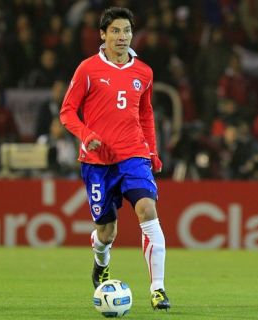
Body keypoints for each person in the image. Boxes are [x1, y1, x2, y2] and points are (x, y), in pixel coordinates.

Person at [59, 7, 170, 311]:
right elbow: (67, 111)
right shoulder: (87, 69)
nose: (122, 37)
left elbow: (146, 114)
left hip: (134, 156)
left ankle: (158, 289)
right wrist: (85, 134)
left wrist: (152, 151)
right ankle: (100, 260)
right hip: (97, 161)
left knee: (148, 210)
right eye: (116, 31)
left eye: (127, 31)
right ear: (103, 35)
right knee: (107, 232)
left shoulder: (143, 72)